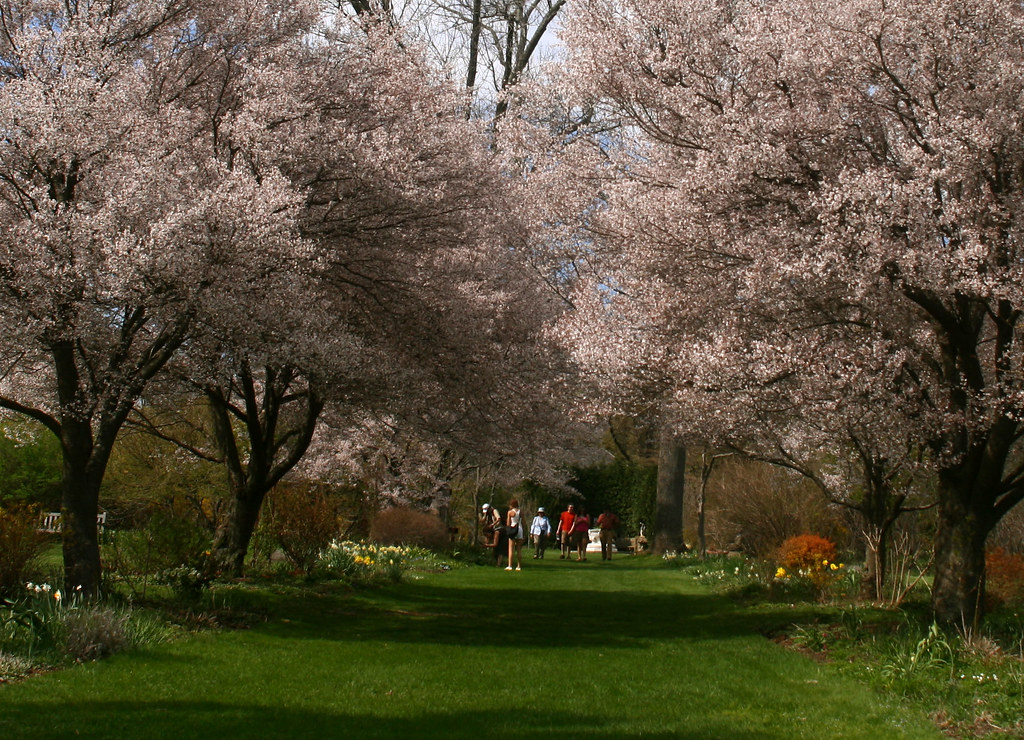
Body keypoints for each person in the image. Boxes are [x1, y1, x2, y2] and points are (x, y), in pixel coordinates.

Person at [505, 498, 525, 571]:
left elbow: (508, 523)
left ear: (512, 505)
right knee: (519, 549)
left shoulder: (510, 512)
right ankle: (519, 566)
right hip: (520, 529)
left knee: (511, 548)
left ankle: (510, 565)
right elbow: (523, 522)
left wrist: (507, 530)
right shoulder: (521, 512)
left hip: (513, 529)